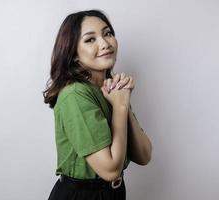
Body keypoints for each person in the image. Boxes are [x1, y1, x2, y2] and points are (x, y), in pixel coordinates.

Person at [43, 9, 152, 200]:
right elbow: (110, 170)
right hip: (82, 195)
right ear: (74, 53)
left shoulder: (111, 90)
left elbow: (144, 155)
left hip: (113, 192)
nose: (105, 43)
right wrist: (119, 107)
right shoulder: (75, 94)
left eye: (107, 33)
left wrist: (123, 102)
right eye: (90, 39)